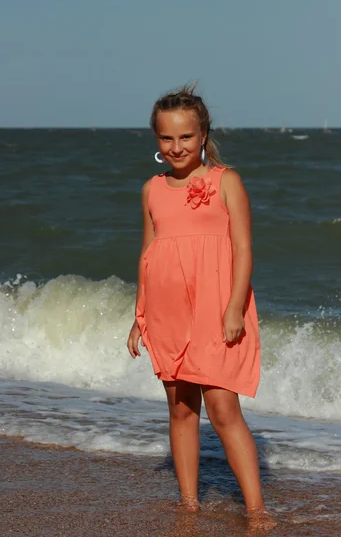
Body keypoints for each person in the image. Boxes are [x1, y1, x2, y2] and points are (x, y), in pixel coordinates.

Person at [127, 85, 272, 523]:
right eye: (167, 138)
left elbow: (243, 249)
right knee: (180, 407)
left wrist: (233, 308)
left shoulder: (226, 181)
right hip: (166, 309)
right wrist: (139, 316)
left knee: (224, 408)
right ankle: (189, 501)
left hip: (217, 305)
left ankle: (256, 507)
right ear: (157, 141)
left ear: (203, 134)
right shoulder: (152, 190)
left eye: (186, 137)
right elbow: (148, 253)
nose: (176, 147)